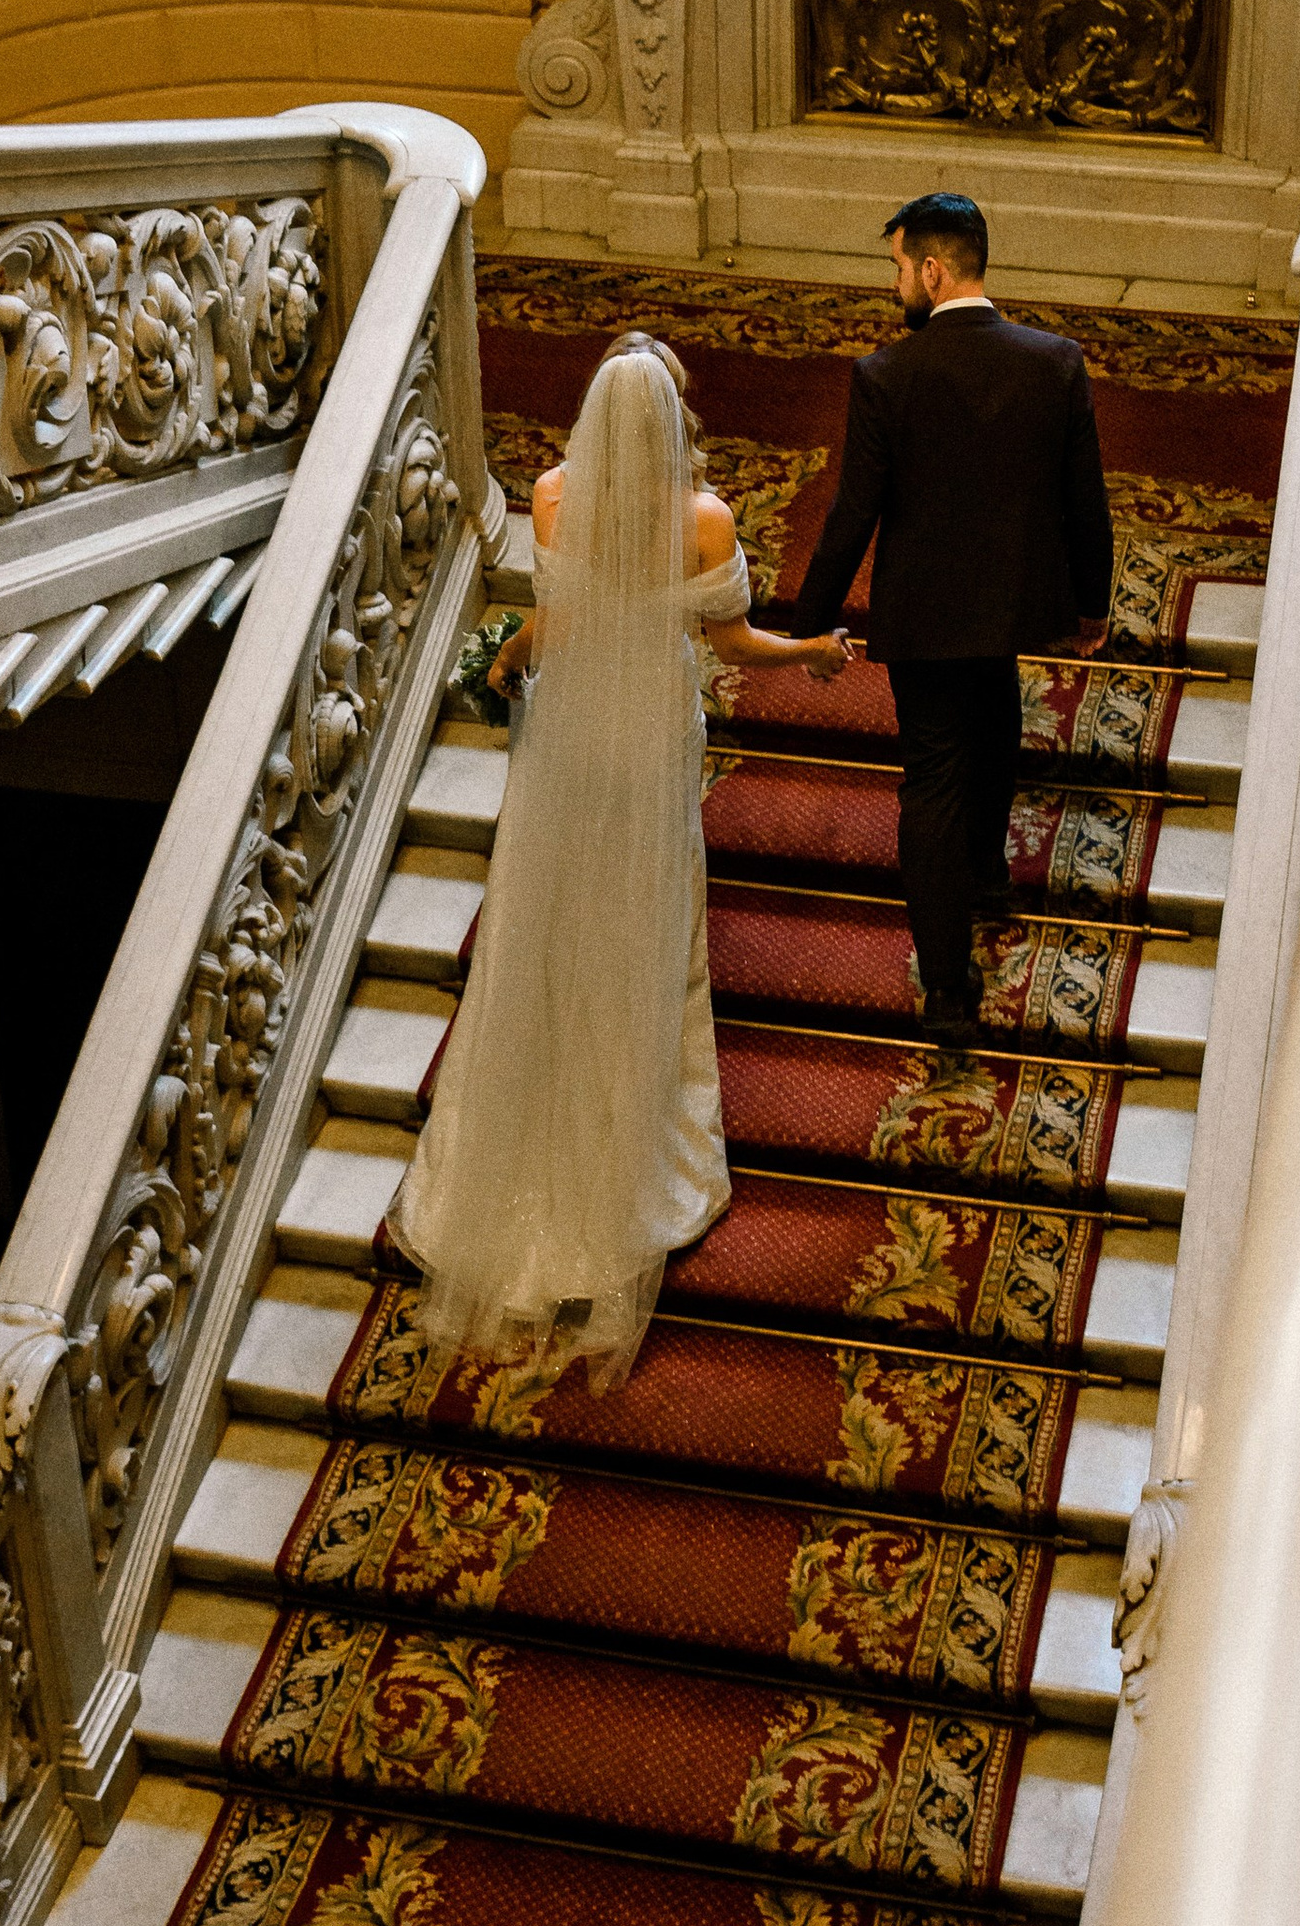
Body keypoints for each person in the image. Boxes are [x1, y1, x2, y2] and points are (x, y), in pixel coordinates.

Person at [388, 330, 851, 1384]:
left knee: (549, 924)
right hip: (646, 739)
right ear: (675, 417)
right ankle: (633, 1157)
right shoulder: (705, 521)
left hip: (571, 738)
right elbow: (733, 648)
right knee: (646, 933)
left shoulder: (553, 497)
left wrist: (503, 660)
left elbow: (551, 623)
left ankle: (525, 1145)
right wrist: (818, 652)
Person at [786, 194, 1112, 1052]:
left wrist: (807, 621)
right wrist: (1092, 602)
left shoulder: (885, 374)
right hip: (1013, 600)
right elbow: (1086, 497)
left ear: (933, 269)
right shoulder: (1055, 361)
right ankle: (987, 871)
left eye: (897, 267)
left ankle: (944, 990)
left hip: (924, 610)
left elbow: (855, 508)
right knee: (996, 709)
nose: (894, 284)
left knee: (931, 776)